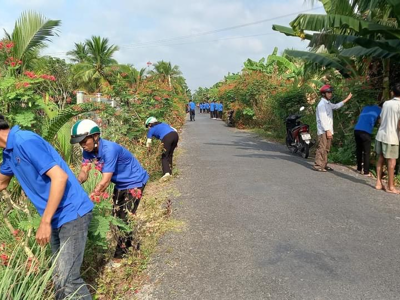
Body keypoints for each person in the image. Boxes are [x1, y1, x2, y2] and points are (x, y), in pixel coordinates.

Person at [0, 115, 93, 300]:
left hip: (71, 212)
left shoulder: (24, 141)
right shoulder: (9, 153)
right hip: (58, 217)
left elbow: (59, 177)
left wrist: (45, 221)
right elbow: (1, 182)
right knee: (59, 277)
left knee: (68, 280)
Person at [71, 119, 149, 259]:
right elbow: (84, 172)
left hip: (134, 181)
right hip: (120, 184)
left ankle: (121, 256)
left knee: (124, 219)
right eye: (80, 142)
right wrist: (75, 184)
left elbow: (105, 181)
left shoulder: (109, 150)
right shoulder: (87, 152)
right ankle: (131, 245)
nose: (82, 145)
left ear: (95, 137)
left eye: (84, 141)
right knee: (116, 216)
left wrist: (90, 197)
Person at [313, 85, 352, 172]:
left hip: (328, 130)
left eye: (331, 93)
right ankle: (318, 165)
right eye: (328, 93)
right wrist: (328, 131)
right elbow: (323, 119)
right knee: (322, 148)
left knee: (327, 148)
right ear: (323, 94)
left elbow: (336, 106)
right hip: (323, 130)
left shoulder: (328, 103)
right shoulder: (321, 105)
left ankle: (324, 164)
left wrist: (347, 99)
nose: (330, 94)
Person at [375, 84, 400, 194]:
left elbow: (380, 119)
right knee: (392, 162)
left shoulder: (386, 103)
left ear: (392, 93)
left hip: (381, 134)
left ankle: (378, 183)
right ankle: (390, 186)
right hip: (392, 137)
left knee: (380, 158)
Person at [145, 117, 179, 181]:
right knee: (170, 154)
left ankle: (166, 173)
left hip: (166, 137)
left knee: (164, 156)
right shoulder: (163, 124)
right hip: (175, 135)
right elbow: (175, 130)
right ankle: (170, 172)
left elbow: (148, 142)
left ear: (150, 124)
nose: (148, 128)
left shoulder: (151, 129)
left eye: (147, 126)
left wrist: (148, 150)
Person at [354, 102, 382, 176]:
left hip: (357, 129)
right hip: (366, 132)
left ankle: (359, 168)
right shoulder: (380, 111)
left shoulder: (367, 107)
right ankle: (366, 172)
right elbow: (380, 122)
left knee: (359, 150)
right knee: (366, 152)